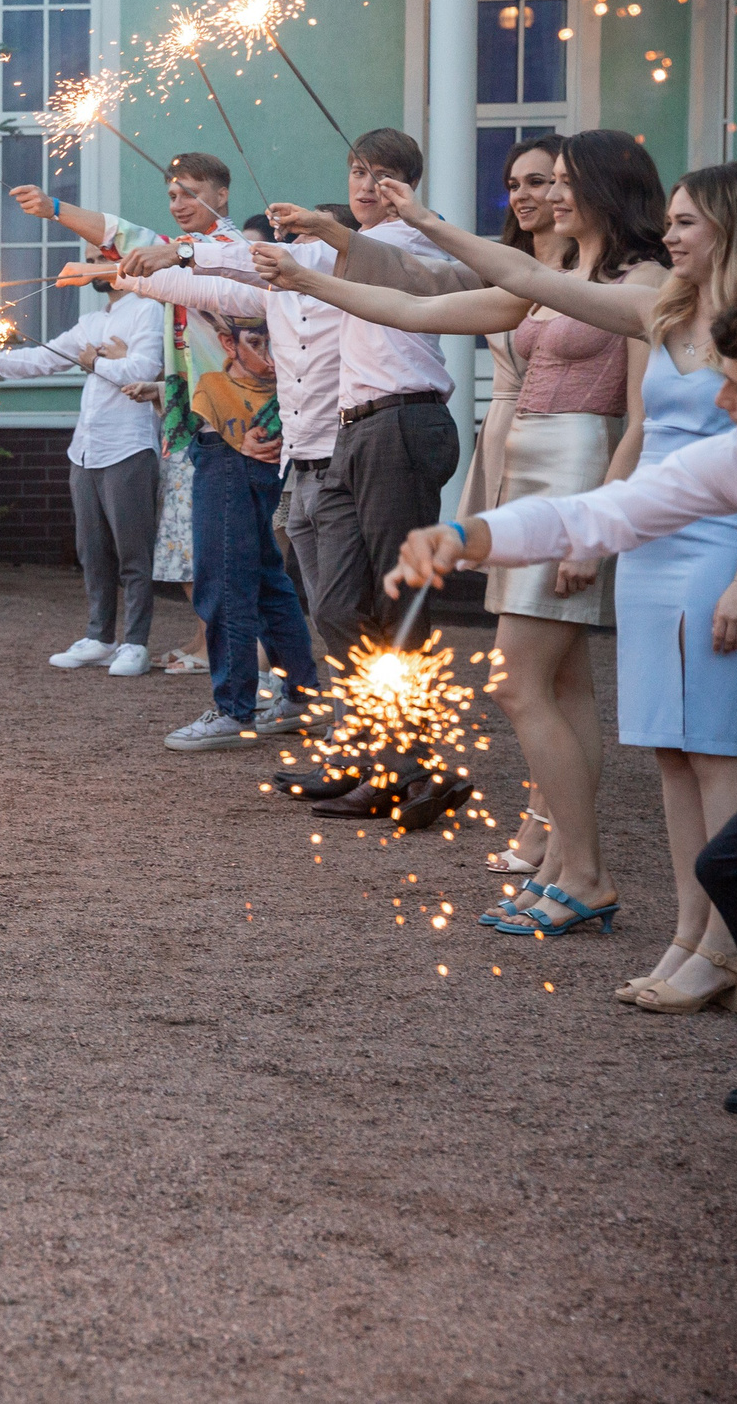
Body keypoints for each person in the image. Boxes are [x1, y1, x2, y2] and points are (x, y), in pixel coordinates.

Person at [357, 156, 737, 1003]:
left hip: (724, 547)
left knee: (717, 749)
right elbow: (603, 505)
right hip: (659, 534)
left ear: (733, 225)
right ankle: (692, 935)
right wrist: (469, 533)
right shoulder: (666, 307)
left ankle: (730, 948)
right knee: (670, 750)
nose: (670, 233)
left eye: (688, 221)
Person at [256, 138, 651, 911]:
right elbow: (418, 303)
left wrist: (598, 522)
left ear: (605, 188)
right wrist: (306, 275)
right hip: (527, 471)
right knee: (560, 682)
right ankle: (559, 855)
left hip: (577, 473)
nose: (544, 197)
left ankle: (579, 868)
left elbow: (639, 418)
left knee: (521, 679)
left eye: (559, 183)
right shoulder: (555, 277)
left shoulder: (639, 282)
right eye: (535, 183)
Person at [122, 129, 461, 697]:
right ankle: (364, 738)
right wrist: (133, 276)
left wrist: (181, 248)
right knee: (333, 607)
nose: (366, 185)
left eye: (381, 175)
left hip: (398, 425)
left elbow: (279, 259)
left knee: (393, 603)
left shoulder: (398, 241)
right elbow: (232, 290)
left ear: (408, 186)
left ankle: (403, 752)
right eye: (357, 172)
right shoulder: (342, 253)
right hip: (355, 433)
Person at [14, 156, 247, 676]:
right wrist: (54, 208)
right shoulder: (172, 254)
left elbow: (160, 251)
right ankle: (225, 659)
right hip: (192, 422)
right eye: (172, 196)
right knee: (197, 548)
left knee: (229, 552)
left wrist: (118, 358)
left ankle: (246, 668)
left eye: (191, 192)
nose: (179, 204)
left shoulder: (232, 249)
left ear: (222, 194)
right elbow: (120, 235)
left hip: (237, 423)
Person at [0, 266, 163, 678]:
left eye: (98, 255)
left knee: (134, 553)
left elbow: (144, 373)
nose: (89, 265)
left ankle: (135, 643)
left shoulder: (148, 310)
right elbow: (42, 359)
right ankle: (100, 638)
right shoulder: (92, 322)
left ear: (122, 262)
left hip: (128, 447)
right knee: (92, 551)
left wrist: (94, 360)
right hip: (85, 451)